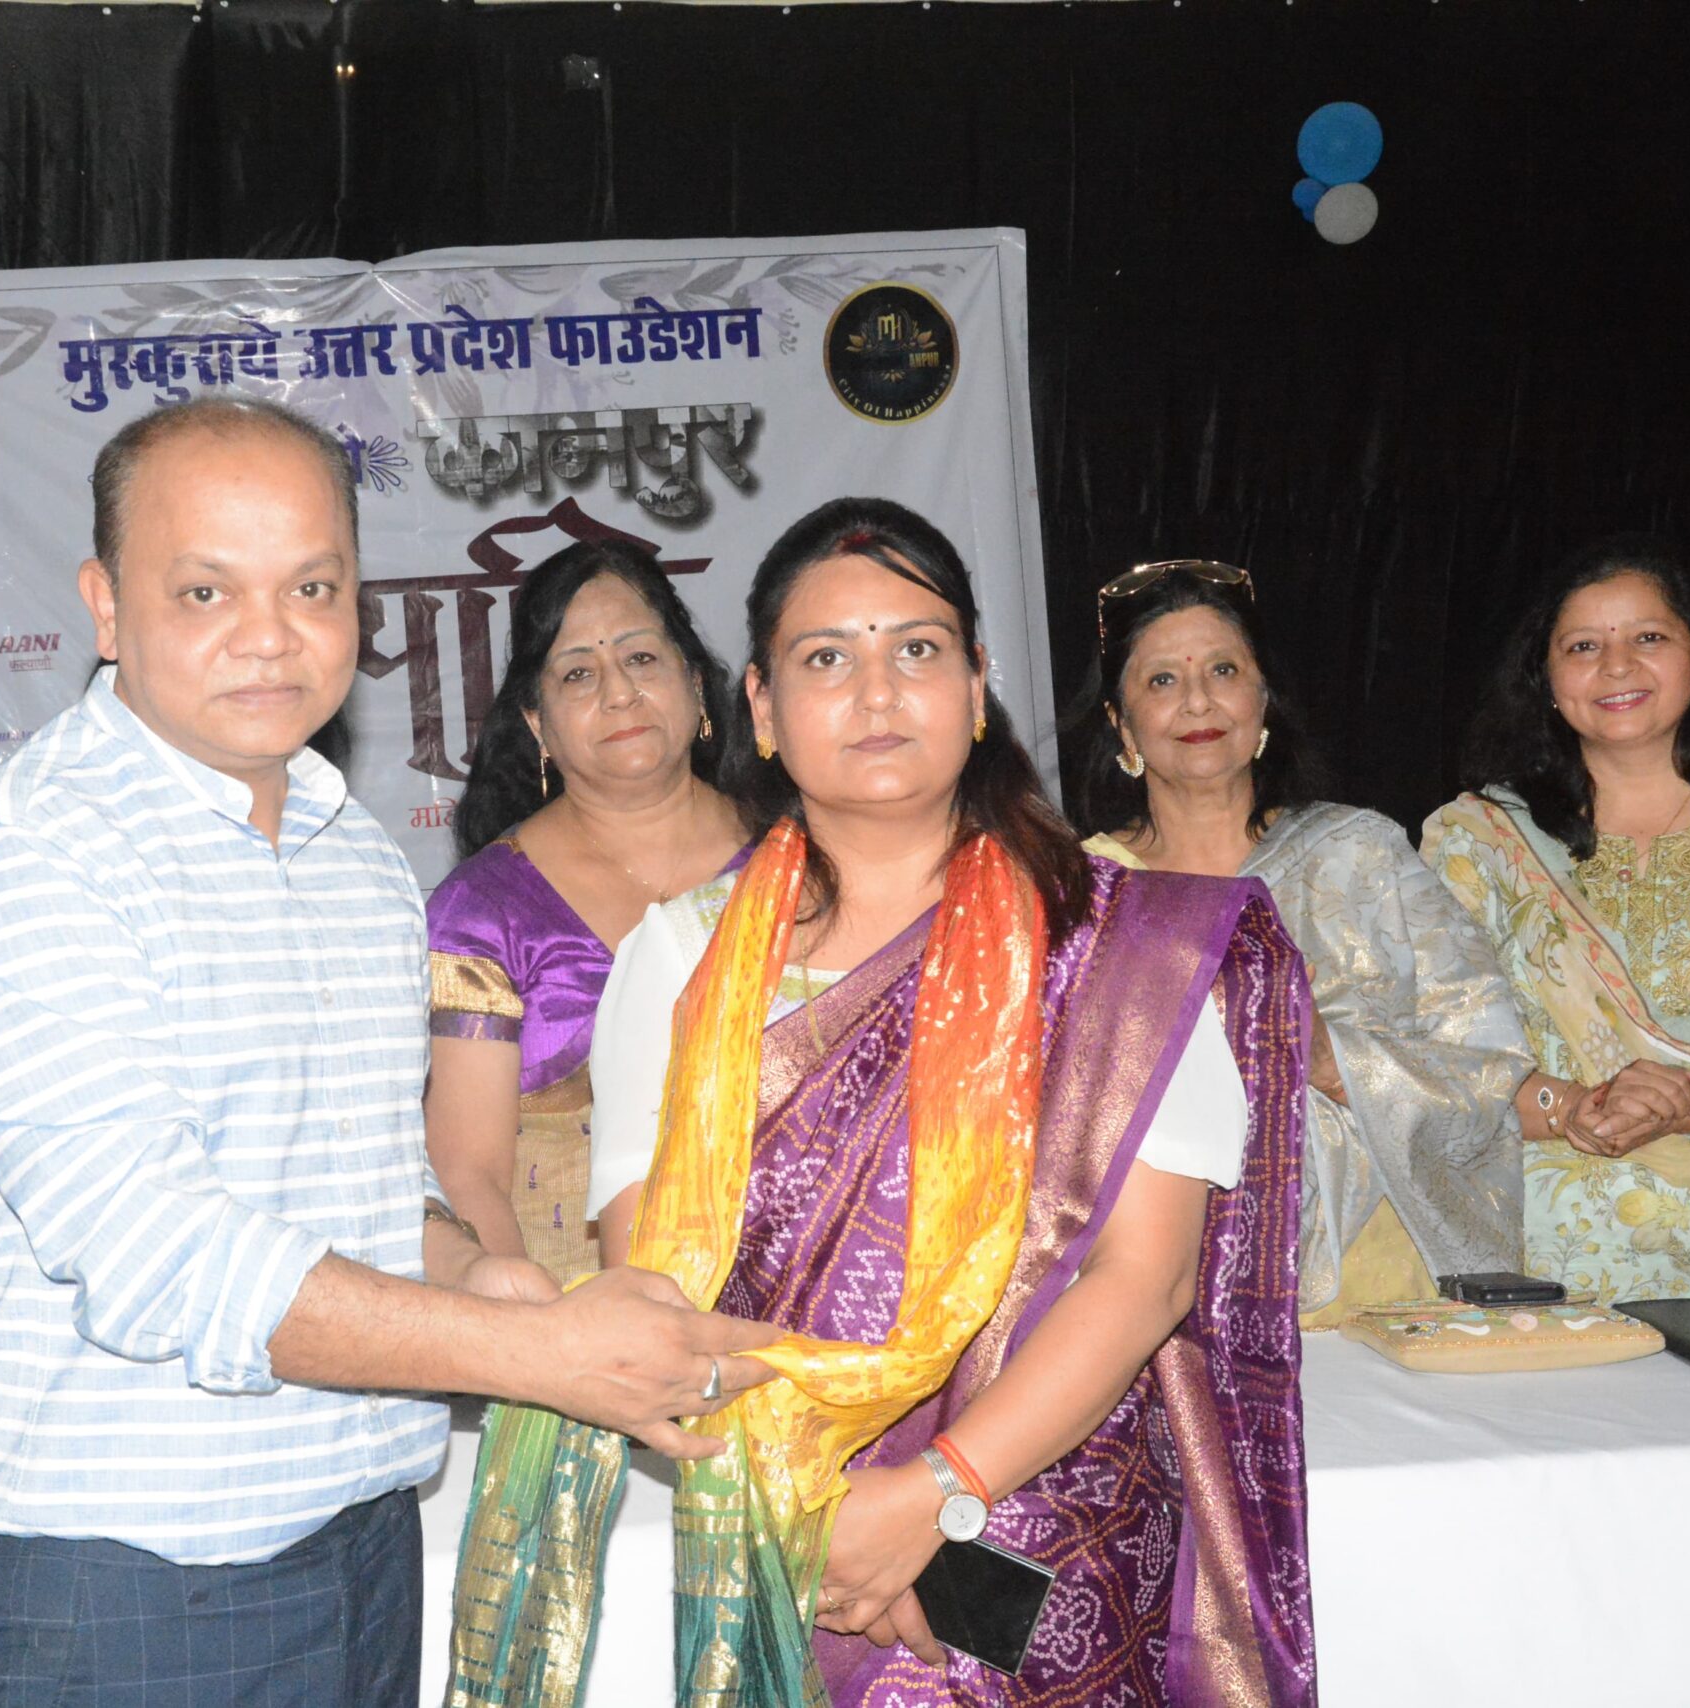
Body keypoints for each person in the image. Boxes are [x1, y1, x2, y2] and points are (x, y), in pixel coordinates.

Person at [0, 396, 777, 1708]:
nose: (268, 634)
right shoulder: (34, 855)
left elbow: (355, 1184)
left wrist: (478, 1273)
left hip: (366, 1548)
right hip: (139, 1591)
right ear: (106, 605)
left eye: (311, 587)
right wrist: (536, 1357)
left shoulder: (351, 853)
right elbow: (155, 1251)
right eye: (204, 590)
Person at [449, 500, 1316, 1708]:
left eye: (915, 648)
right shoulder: (678, 956)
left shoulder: (1122, 944)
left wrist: (933, 1495)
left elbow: (1148, 1277)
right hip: (782, 1537)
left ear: (976, 684)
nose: (875, 691)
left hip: (1051, 1531)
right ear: (760, 707)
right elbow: (657, 1296)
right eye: (825, 658)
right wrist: (828, 1525)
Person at [1067, 560, 1531, 1324]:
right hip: (1162, 1289)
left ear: (1264, 702)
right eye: (1161, 680)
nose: (1197, 700)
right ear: (1121, 725)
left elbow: (1487, 1063)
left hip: (1378, 1280)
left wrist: (1326, 1057)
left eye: (1224, 671)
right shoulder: (1084, 894)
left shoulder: (1360, 854)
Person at [1425, 534, 1690, 1300]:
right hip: (1553, 1197)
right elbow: (1442, 1054)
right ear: (1547, 681)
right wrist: (1574, 1111)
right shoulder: (1479, 845)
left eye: (1649, 638)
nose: (1617, 665)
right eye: (1583, 646)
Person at [425, 538, 750, 1282]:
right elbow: (469, 1174)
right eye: (578, 673)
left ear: (696, 684)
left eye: (641, 658)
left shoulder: (796, 865)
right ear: (538, 724)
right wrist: (538, 1335)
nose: (619, 692)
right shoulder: (484, 911)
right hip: (573, 1315)